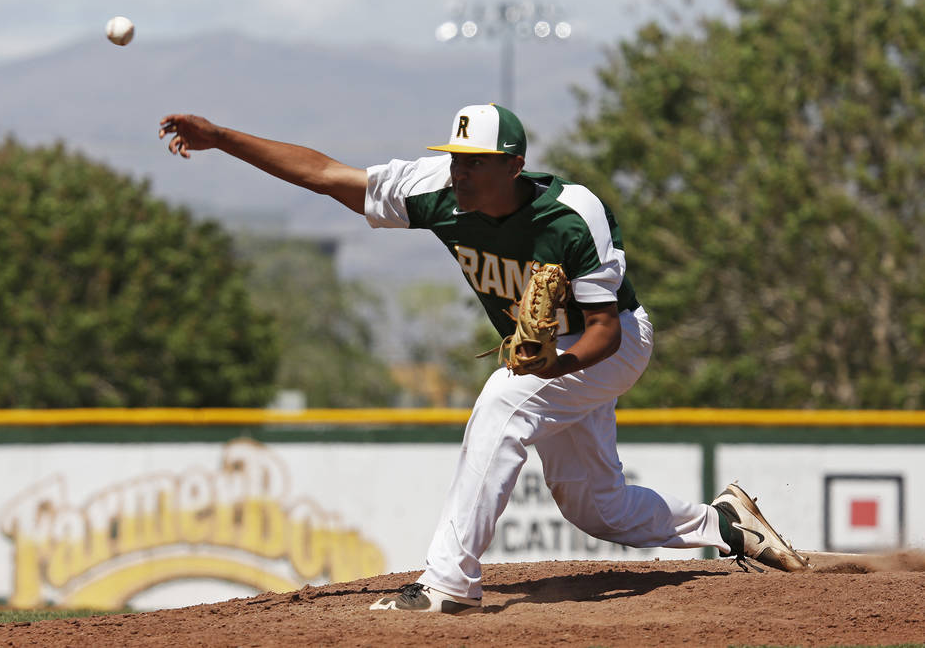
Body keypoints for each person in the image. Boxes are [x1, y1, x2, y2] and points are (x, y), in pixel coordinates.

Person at [158, 103, 809, 614]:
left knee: (504, 394)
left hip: (610, 345)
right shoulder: (436, 193)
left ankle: (448, 584)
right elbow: (328, 177)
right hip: (553, 359)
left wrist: (552, 366)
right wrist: (222, 137)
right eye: (456, 158)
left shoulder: (570, 216)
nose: (459, 172)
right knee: (594, 508)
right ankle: (721, 523)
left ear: (513, 164)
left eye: (474, 162)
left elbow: (605, 331)